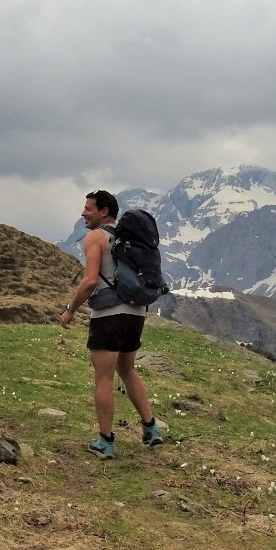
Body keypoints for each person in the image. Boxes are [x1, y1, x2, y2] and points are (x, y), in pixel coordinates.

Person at [58, 189, 164, 459]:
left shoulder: (96, 237)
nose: (83, 213)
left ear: (104, 211)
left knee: (103, 378)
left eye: (88, 208)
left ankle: (105, 441)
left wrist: (70, 310)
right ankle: (151, 429)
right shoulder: (129, 238)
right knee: (128, 370)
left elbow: (90, 281)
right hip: (136, 312)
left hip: (108, 315)